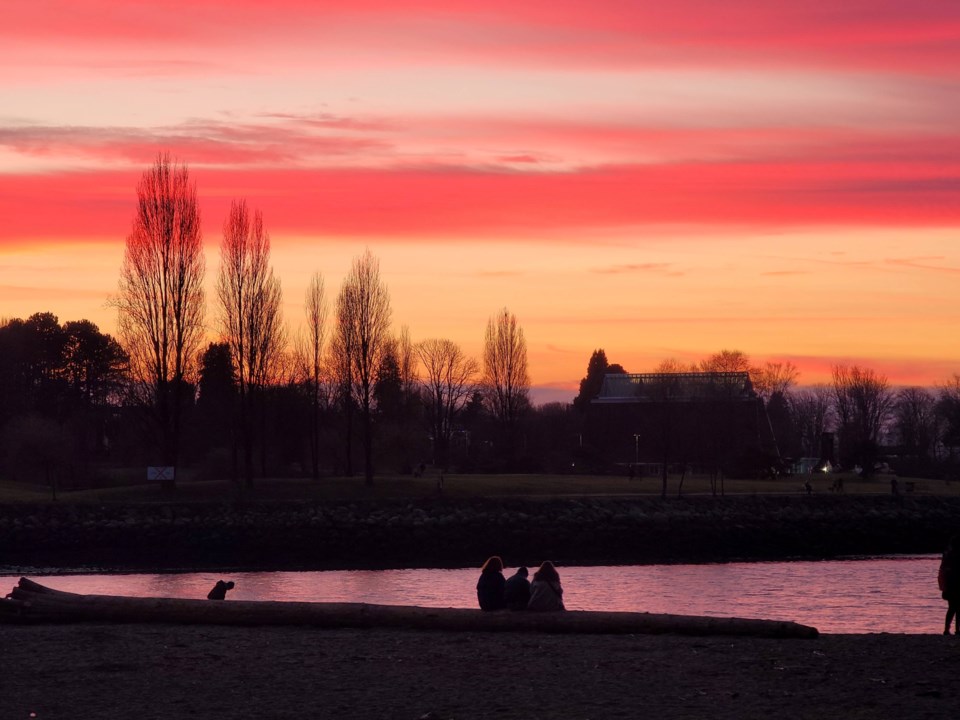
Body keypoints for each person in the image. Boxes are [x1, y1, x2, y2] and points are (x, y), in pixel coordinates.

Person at [941, 537, 960, 634]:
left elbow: (943, 571)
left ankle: (947, 629)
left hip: (949, 584)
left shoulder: (947, 555)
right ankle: (956, 630)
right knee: (955, 608)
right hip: (954, 584)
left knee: (952, 607)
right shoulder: (953, 555)